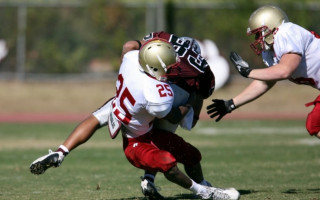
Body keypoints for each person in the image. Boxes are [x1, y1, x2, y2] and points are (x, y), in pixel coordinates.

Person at [30, 38, 240, 200]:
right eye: (167, 65)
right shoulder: (157, 93)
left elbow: (129, 45)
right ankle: (203, 191)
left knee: (192, 155)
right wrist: (193, 95)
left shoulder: (131, 59)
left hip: (119, 105)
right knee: (167, 161)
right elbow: (177, 118)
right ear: (155, 67)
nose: (172, 69)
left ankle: (60, 153)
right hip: (137, 142)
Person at [122, 31, 217, 199]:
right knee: (164, 142)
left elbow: (129, 46)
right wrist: (191, 104)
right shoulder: (195, 75)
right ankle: (202, 186)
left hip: (137, 104)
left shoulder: (159, 49)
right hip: (164, 104)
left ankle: (149, 179)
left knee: (154, 142)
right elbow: (190, 122)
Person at [206, 5, 320, 140]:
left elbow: (285, 71)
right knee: (314, 124)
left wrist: (248, 72)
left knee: (315, 123)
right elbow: (265, 82)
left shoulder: (286, 32)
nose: (257, 39)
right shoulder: (271, 52)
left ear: (271, 27)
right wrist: (231, 103)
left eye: (259, 33)